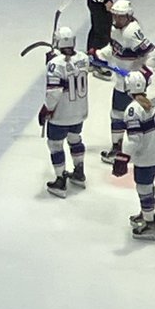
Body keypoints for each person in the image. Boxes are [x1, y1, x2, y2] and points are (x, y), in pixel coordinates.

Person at [94, 0, 155, 165]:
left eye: (120, 17)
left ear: (128, 16)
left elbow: (154, 54)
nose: (116, 19)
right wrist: (99, 55)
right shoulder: (115, 28)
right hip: (121, 81)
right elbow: (114, 48)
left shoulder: (132, 31)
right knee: (120, 114)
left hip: (133, 83)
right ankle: (122, 147)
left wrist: (143, 74)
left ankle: (131, 148)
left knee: (128, 115)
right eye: (115, 16)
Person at [112, 70, 155, 242]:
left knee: (143, 187)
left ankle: (149, 222)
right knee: (148, 184)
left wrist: (123, 157)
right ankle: (147, 213)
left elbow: (134, 138)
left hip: (147, 154)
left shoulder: (132, 109)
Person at [40, 25, 90, 198]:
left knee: (55, 145)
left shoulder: (56, 64)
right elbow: (73, 66)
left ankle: (60, 180)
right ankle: (79, 172)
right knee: (75, 139)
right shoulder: (84, 58)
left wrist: (46, 108)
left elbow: (54, 91)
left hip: (61, 114)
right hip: (79, 111)